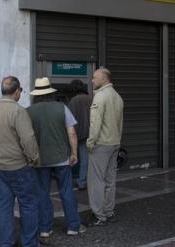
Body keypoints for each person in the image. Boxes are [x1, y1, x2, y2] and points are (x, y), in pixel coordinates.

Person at [0, 76, 40, 247]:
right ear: (17, 91)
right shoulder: (19, 111)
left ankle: (7, 242)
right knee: (27, 204)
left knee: (4, 205)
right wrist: (34, 159)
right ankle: (29, 243)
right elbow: (28, 139)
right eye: (21, 90)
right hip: (18, 166)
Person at [26, 77, 86, 240]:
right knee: (66, 192)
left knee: (42, 193)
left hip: (40, 159)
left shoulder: (28, 111)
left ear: (36, 94)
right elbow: (71, 133)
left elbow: (26, 137)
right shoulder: (62, 108)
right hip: (61, 157)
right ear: (50, 92)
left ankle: (45, 228)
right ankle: (73, 226)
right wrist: (74, 153)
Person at [86, 67, 124, 226]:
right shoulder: (117, 97)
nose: (92, 80)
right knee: (110, 179)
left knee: (96, 180)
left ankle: (98, 214)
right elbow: (120, 123)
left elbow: (95, 123)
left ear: (104, 79)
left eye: (95, 77)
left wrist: (90, 141)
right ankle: (109, 211)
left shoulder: (100, 97)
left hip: (101, 144)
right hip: (114, 142)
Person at [68, 79, 92, 190]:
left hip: (79, 134)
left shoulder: (74, 101)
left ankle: (81, 182)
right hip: (91, 133)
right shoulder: (91, 98)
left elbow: (69, 120)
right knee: (87, 159)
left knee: (80, 159)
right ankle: (86, 180)